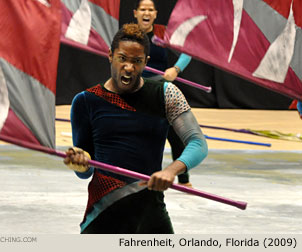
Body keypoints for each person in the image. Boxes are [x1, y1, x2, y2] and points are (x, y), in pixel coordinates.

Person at [64, 23, 208, 234]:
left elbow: (198, 143)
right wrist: (80, 164)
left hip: (151, 215)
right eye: (122, 58)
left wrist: (170, 171)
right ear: (110, 55)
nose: (129, 67)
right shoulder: (85, 101)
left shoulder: (166, 93)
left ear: (146, 63)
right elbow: (86, 172)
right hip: (103, 214)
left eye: (136, 61)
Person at [133, 0, 193, 186]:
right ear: (136, 13)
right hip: (136, 92)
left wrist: (175, 69)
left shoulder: (163, 32)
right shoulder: (128, 34)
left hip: (162, 90)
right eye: (143, 9)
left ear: (156, 14)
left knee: (176, 136)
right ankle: (142, 176)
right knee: (141, 137)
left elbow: (188, 51)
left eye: (150, 10)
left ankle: (184, 180)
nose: (147, 13)